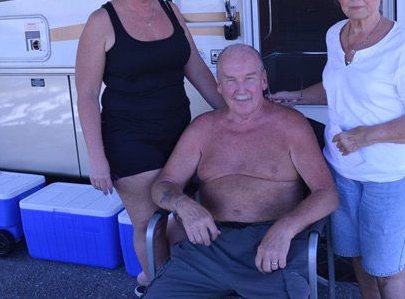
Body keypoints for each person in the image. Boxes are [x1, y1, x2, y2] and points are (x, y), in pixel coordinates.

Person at [270, 0, 405, 298]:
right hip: (343, 173)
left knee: (388, 269)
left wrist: (366, 136)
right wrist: (297, 96)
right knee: (359, 261)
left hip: (390, 179)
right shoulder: (336, 35)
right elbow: (339, 88)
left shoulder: (404, 44)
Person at [75, 0, 225, 296]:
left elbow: (197, 68)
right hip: (130, 139)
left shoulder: (171, 11)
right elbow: (87, 93)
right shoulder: (102, 21)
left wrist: (232, 114)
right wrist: (96, 157)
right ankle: (160, 288)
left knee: (187, 211)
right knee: (150, 224)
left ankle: (154, 275)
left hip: (179, 132)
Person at [144, 44, 339, 298]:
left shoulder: (291, 125)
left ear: (263, 80)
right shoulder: (203, 128)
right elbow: (163, 185)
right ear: (219, 86)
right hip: (208, 248)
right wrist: (183, 205)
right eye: (231, 80)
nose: (241, 90)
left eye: (249, 79)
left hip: (274, 246)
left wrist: (286, 229)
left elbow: (327, 194)